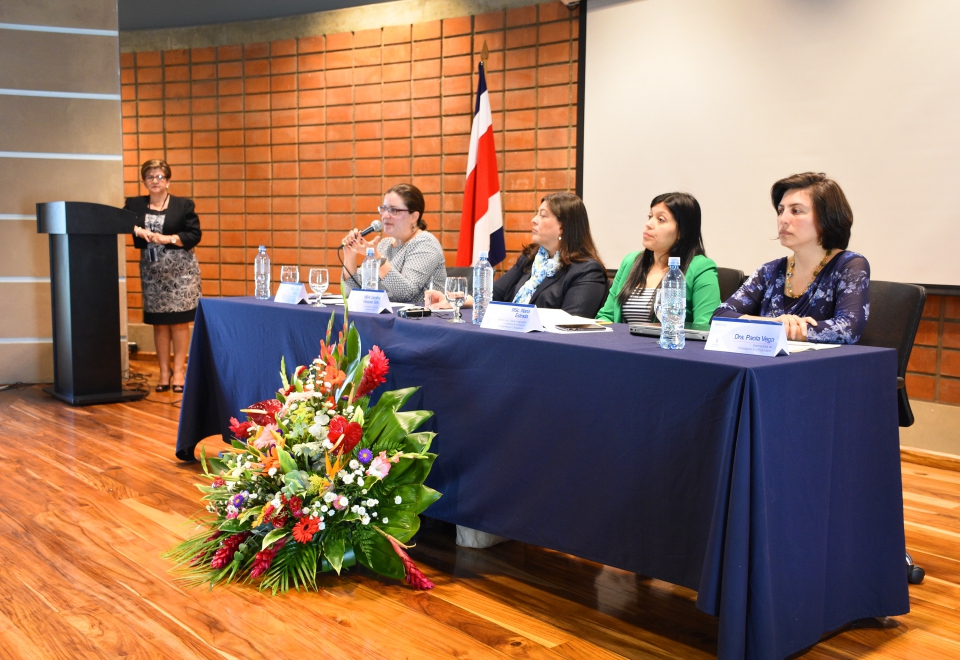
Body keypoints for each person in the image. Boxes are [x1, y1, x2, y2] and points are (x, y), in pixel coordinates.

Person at [713, 172, 869, 343]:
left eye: (796, 211)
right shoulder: (770, 271)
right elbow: (720, 316)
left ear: (828, 218)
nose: (783, 219)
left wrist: (781, 330)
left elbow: (848, 329)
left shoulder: (850, 265)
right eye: (780, 211)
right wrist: (774, 324)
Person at [426, 192, 608, 317]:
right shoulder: (530, 259)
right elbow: (494, 295)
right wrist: (455, 300)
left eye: (543, 215)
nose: (534, 220)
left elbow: (571, 322)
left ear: (563, 226)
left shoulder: (587, 271)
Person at [126, 159, 202, 393]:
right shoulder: (135, 204)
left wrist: (167, 238)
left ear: (168, 180)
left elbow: (194, 234)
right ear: (144, 181)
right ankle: (163, 372)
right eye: (150, 177)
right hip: (152, 272)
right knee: (159, 324)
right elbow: (123, 222)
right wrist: (139, 230)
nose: (155, 181)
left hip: (181, 272)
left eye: (159, 176)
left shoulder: (183, 205)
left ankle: (179, 371)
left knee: (179, 322)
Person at [596, 192, 720, 325]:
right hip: (620, 344)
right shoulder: (630, 261)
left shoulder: (701, 268)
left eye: (661, 219)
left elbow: (704, 326)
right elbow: (607, 315)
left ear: (682, 231)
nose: (649, 224)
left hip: (670, 344)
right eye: (650, 216)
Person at [341, 183, 446, 306]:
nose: (385, 215)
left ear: (414, 216)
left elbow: (407, 293)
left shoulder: (425, 243)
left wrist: (377, 258)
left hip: (422, 320)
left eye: (393, 210)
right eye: (384, 209)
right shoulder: (384, 245)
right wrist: (350, 256)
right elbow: (350, 293)